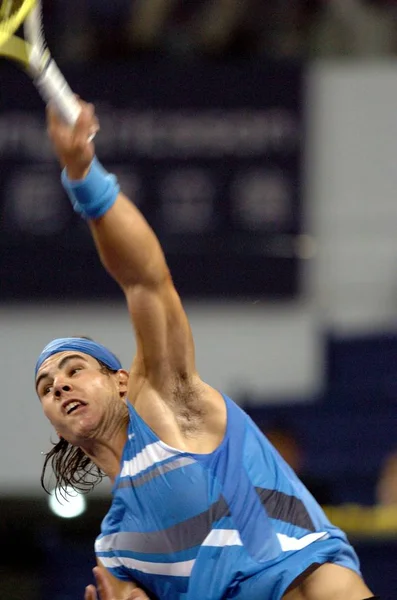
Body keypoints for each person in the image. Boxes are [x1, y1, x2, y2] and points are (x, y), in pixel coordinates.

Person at [34, 101, 377, 600]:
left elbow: (145, 280)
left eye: (74, 369)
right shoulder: (115, 552)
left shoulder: (164, 404)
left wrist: (82, 175)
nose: (59, 384)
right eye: (46, 388)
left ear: (121, 381)